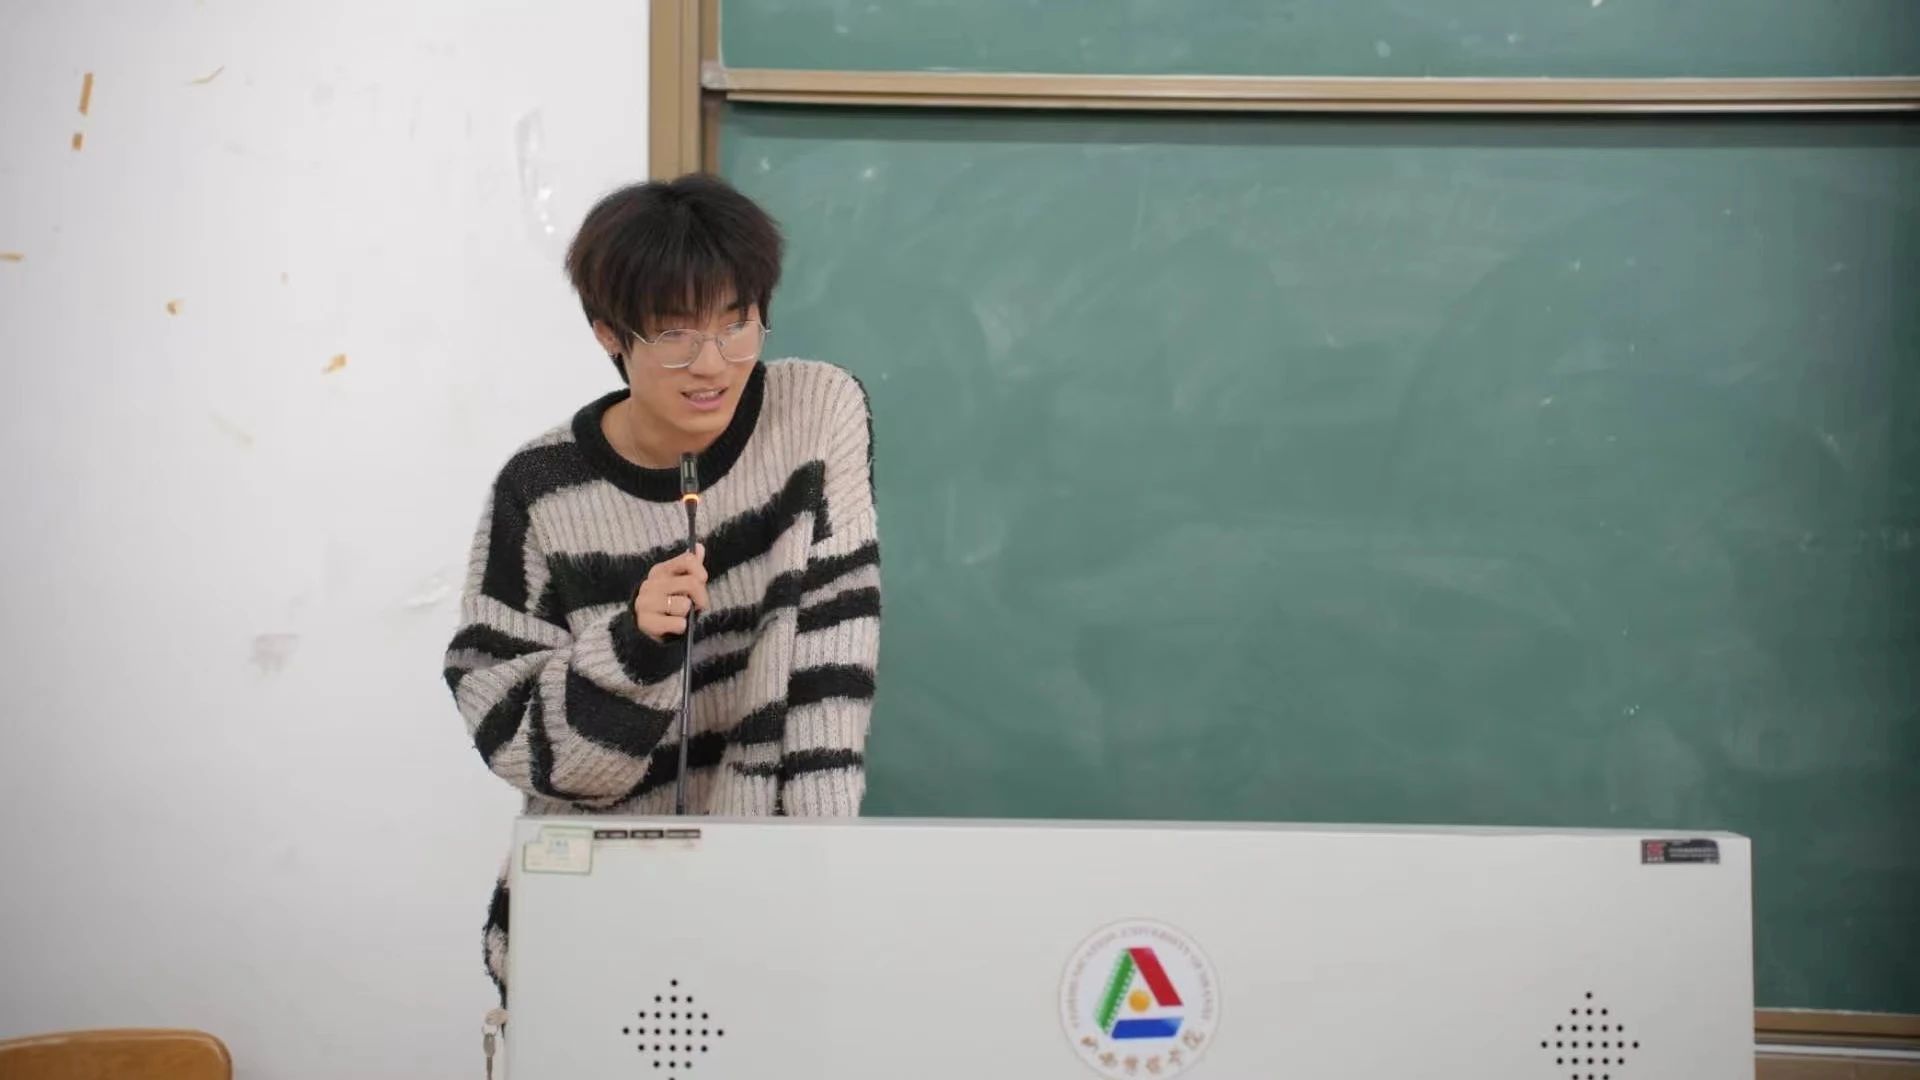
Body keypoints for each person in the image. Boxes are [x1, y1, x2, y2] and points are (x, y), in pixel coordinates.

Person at [441, 173, 881, 1002]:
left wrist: (813, 887)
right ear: (610, 334)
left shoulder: (816, 415)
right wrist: (631, 650)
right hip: (591, 919)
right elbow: (515, 740)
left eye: (736, 323)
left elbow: (830, 674)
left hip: (767, 915)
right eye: (675, 334)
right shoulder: (539, 492)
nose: (712, 365)